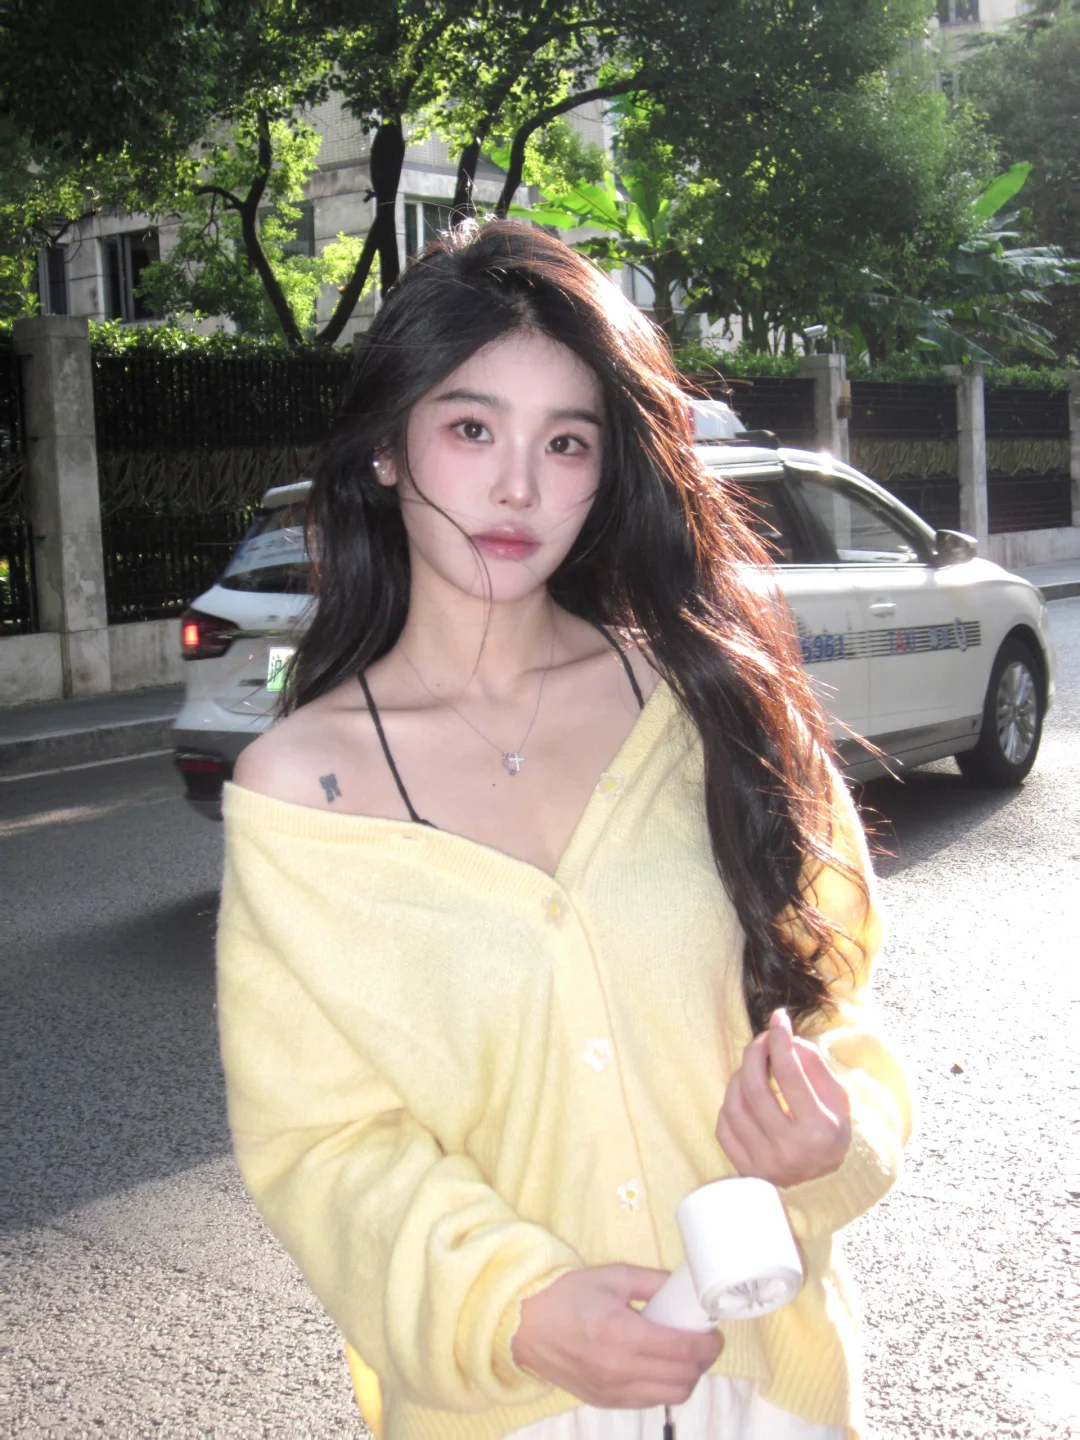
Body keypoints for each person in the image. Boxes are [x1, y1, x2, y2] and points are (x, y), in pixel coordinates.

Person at [216, 219, 912, 1440]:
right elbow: (324, 1146)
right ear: (387, 448)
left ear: (608, 468)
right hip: (510, 1405)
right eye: (471, 428)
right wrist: (516, 1309)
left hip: (767, 1384)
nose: (519, 488)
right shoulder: (299, 794)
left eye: (567, 441)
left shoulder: (713, 702)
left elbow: (833, 1003)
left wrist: (835, 1134)